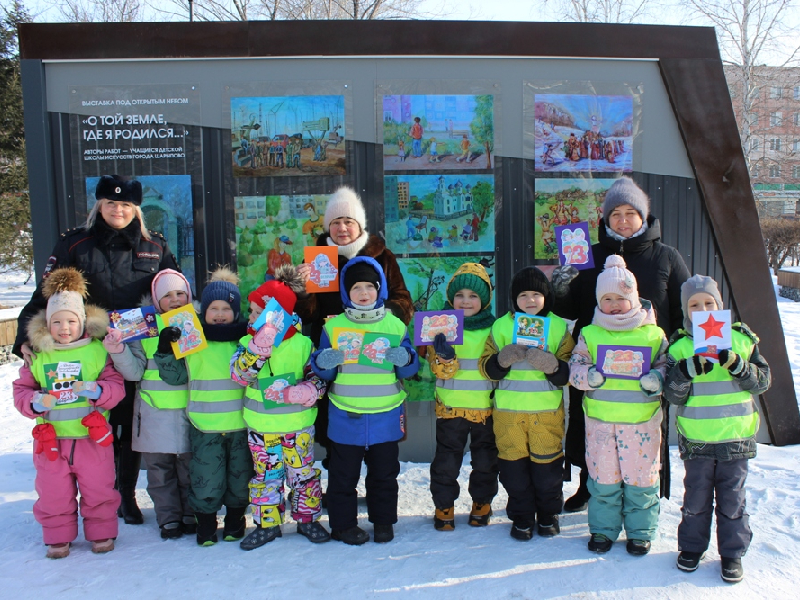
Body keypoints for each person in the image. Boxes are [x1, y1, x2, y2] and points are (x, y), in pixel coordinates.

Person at [14, 174, 180, 526]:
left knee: (133, 423)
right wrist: (24, 338)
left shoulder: (155, 246)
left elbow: (173, 297)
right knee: (100, 422)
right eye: (110, 203)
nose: (117, 210)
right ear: (99, 206)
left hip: (137, 351)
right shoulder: (76, 245)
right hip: (89, 352)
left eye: (125, 205)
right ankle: (106, 495)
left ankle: (127, 495)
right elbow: (46, 294)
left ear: (135, 209)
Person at [552, 176, 690, 511]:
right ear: (606, 218)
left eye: (631, 212)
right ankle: (589, 484)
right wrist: (560, 287)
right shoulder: (587, 255)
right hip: (595, 361)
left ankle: (641, 490)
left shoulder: (666, 257)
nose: (624, 220)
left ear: (644, 217)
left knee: (643, 429)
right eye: (616, 213)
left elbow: (684, 311)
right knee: (592, 426)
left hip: (646, 367)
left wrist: (669, 355)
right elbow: (569, 310)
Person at [664, 275, 771, 583]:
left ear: (720, 306)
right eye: (694, 305)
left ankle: (732, 553)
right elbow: (672, 395)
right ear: (686, 311)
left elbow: (763, 382)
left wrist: (738, 365)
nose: (703, 309)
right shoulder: (681, 346)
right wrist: (686, 371)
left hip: (735, 438)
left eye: (709, 303)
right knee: (696, 499)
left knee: (732, 500)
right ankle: (692, 548)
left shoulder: (742, 340)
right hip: (697, 440)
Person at [13, 268, 126, 558]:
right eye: (57, 322)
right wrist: (36, 401)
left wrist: (98, 391)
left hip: (92, 439)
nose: (64, 328)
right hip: (51, 442)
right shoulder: (38, 355)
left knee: (99, 488)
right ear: (46, 325)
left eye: (71, 321)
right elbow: (21, 390)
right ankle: (57, 536)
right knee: (54, 493)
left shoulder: (97, 351)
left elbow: (116, 386)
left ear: (83, 322)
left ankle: (101, 532)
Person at [296, 187, 413, 465]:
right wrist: (303, 289)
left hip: (376, 360)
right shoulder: (316, 259)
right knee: (335, 429)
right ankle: (340, 480)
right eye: (335, 222)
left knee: (380, 442)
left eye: (348, 221)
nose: (342, 228)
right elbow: (306, 314)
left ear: (359, 224)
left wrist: (375, 318)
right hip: (336, 357)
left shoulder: (383, 256)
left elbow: (404, 301)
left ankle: (378, 485)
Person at [310, 257, 420, 545]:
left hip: (385, 413)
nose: (363, 293)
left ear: (379, 289)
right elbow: (324, 371)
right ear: (347, 293)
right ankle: (343, 526)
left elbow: (410, 368)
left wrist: (405, 358)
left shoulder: (395, 325)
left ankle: (383, 522)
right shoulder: (333, 327)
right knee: (342, 476)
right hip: (347, 414)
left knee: (384, 475)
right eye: (356, 287)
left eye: (369, 287)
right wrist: (324, 362)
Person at [141, 268, 253, 546]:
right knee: (206, 480)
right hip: (205, 427)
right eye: (213, 308)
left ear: (235, 311)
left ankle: (235, 521)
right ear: (203, 311)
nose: (219, 313)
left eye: (226, 308)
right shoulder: (195, 342)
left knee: (240, 480)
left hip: (241, 425)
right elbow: (175, 376)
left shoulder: (245, 342)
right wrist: (166, 349)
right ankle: (205, 524)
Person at [569, 255, 668, 556]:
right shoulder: (591, 333)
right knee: (603, 478)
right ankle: (603, 530)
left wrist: (657, 378)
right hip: (601, 422)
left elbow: (667, 366)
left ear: (634, 298)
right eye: (606, 298)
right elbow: (574, 367)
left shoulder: (652, 334)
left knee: (641, 479)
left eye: (620, 298)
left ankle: (640, 532)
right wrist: (588, 376)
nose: (613, 304)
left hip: (641, 424)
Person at [231, 266, 330, 549]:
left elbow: (319, 378)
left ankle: (307, 520)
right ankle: (267, 525)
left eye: (254, 311)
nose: (249, 317)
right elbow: (239, 375)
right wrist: (256, 350)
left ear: (273, 314)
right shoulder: (245, 343)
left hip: (297, 429)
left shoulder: (302, 344)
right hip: (262, 431)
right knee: (266, 478)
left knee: (303, 476)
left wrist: (309, 389)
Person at [479, 267, 574, 541]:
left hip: (546, 415)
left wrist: (553, 365)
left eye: (536, 294)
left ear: (546, 296)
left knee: (547, 472)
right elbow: (486, 369)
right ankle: (521, 517)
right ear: (514, 298)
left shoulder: (558, 327)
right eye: (523, 295)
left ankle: (547, 515)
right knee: (514, 472)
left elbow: (569, 373)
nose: (530, 300)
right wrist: (501, 360)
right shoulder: (501, 326)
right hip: (509, 415)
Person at [105, 268, 195, 539]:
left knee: (189, 469)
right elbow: (133, 372)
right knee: (159, 473)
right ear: (156, 300)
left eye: (181, 293)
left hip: (189, 412)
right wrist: (118, 350)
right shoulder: (142, 330)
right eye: (167, 295)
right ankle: (168, 519)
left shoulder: (194, 324)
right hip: (153, 414)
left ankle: (190, 513)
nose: (176, 299)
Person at [426, 264, 498, 531]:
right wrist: (443, 355)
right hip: (451, 409)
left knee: (485, 462)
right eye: (460, 295)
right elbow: (437, 368)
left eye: (473, 296)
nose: (466, 301)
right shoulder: (441, 327)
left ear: (485, 300)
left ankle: (482, 502)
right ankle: (444, 505)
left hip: (486, 409)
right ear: (451, 298)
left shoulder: (495, 328)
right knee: (446, 462)